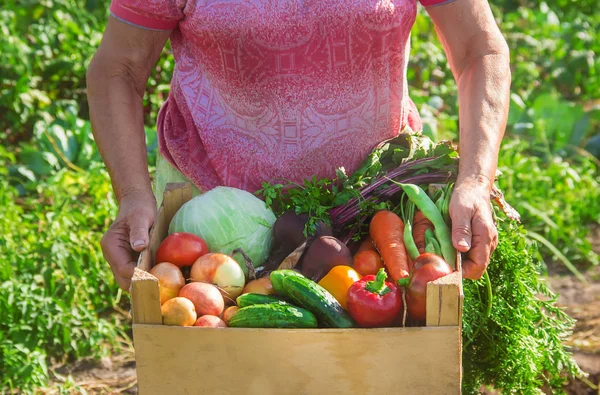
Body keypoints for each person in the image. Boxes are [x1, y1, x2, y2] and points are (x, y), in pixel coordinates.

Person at [87, 0, 510, 291]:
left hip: (375, 220)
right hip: (213, 223)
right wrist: (133, 195)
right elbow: (117, 68)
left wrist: (474, 179)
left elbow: (479, 49)